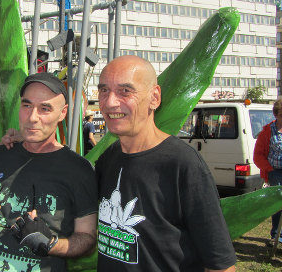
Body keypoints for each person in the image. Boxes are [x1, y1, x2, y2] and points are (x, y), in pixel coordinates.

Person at [95, 56, 236, 271]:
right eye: (104, 90)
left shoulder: (183, 164)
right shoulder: (108, 160)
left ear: (154, 98)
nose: (110, 102)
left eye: (125, 91)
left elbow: (220, 264)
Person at [0, 72, 98, 271]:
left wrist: (50, 243)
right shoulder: (0, 155)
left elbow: (87, 240)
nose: (32, 117)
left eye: (45, 108)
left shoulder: (79, 169)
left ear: (62, 113)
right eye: (27, 105)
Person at [254, 97, 282, 245]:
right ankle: (277, 235)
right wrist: (269, 169)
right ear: (276, 115)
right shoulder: (268, 131)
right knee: (278, 205)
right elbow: (258, 155)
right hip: (276, 173)